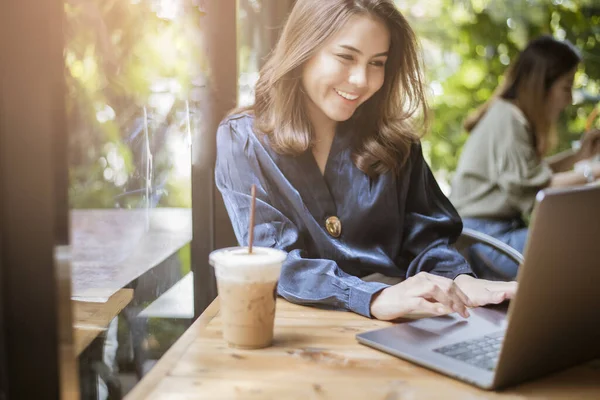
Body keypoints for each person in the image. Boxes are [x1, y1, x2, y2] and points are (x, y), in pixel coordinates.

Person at [215, 0, 516, 322]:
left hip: (403, 324)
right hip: (298, 326)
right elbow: (274, 259)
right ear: (304, 49)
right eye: (346, 57)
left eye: (377, 63)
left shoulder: (396, 142)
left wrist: (461, 281)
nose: (361, 79)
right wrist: (372, 298)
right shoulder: (243, 139)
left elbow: (427, 240)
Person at [450, 35, 600, 281]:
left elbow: (532, 173)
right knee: (583, 240)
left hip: (492, 234)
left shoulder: (508, 115)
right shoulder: (508, 119)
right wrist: (593, 172)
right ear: (542, 85)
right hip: (484, 240)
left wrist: (579, 155)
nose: (570, 99)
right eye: (566, 87)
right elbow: (533, 187)